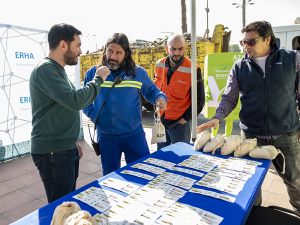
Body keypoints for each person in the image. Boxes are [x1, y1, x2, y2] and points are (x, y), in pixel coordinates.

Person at [197, 21, 300, 214]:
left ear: (268, 39)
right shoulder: (239, 67)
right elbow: (229, 97)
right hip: (251, 137)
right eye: (243, 42)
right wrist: (217, 118)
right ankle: (255, 214)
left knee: (295, 180)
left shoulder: (292, 59)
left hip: (286, 134)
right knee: (250, 182)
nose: (246, 46)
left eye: (251, 42)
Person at [30, 23, 110, 203]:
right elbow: (75, 101)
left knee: (67, 202)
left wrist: (71, 142)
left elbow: (62, 107)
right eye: (78, 45)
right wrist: (98, 79)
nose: (81, 51)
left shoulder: (57, 70)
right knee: (61, 206)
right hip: (53, 152)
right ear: (63, 45)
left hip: (62, 149)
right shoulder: (45, 69)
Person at [83, 33, 167, 176]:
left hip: (134, 135)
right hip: (107, 136)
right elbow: (84, 100)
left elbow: (152, 91)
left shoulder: (137, 72)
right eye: (110, 51)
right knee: (110, 178)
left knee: (143, 173)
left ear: (126, 54)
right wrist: (96, 116)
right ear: (105, 51)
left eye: (118, 52)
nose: (113, 56)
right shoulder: (93, 73)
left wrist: (160, 98)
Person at [154, 34, 205, 149]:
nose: (176, 53)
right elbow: (156, 89)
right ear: (167, 49)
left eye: (180, 49)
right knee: (162, 156)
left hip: (179, 124)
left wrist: (185, 119)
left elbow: (199, 100)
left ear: (185, 49)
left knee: (182, 157)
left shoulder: (193, 69)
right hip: (161, 121)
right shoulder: (159, 64)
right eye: (173, 49)